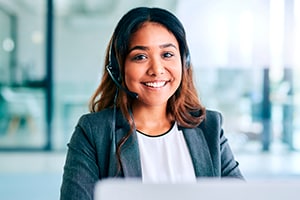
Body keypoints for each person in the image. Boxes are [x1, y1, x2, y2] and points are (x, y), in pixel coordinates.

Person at [60, 6, 244, 200]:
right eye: (140, 57)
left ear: (184, 62)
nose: (157, 70)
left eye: (167, 55)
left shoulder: (209, 126)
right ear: (118, 68)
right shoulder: (94, 132)